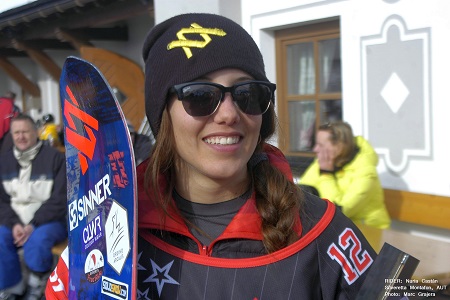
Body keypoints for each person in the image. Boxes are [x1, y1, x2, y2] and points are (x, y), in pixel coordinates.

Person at [46, 13, 376, 299]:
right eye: (200, 96)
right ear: (164, 117)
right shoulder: (108, 231)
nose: (229, 114)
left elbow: (405, 291)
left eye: (248, 93)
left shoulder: (324, 229)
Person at [0, 114, 67, 300]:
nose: (21, 136)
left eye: (25, 131)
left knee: (37, 241)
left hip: (49, 220)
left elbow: (60, 199)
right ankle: (12, 287)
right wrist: (14, 224)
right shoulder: (3, 162)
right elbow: (1, 202)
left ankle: (37, 281)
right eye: (16, 132)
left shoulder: (55, 158)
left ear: (36, 132)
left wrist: (32, 224)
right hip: (15, 220)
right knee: (0, 238)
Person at [300, 121, 391, 251]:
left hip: (370, 236)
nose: (315, 149)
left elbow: (341, 211)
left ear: (339, 146)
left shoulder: (365, 170)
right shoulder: (324, 161)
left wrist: (326, 175)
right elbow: (302, 191)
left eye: (320, 145)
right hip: (341, 234)